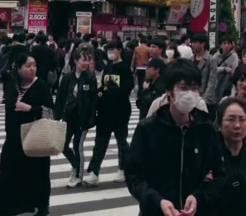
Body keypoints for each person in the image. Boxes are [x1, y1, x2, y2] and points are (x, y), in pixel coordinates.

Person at [124, 58, 224, 216]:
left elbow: (220, 176)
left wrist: (198, 197)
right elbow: (134, 176)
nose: (190, 94)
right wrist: (157, 200)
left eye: (195, 88)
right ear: (169, 91)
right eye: (184, 87)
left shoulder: (205, 130)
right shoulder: (148, 129)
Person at [0, 52, 55, 216]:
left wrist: (31, 108)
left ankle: (42, 208)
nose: (32, 68)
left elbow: (51, 111)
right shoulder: (12, 85)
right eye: (28, 66)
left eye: (34, 65)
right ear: (18, 68)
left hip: (35, 138)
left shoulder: (41, 86)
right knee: (8, 175)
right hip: (14, 139)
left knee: (39, 175)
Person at [86, 39, 133, 185]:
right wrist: (99, 94)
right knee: (100, 142)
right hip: (105, 112)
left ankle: (123, 169)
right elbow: (104, 87)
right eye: (109, 50)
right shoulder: (108, 67)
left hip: (120, 111)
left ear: (119, 50)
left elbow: (127, 88)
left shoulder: (124, 68)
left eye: (113, 49)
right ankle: (94, 172)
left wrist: (107, 94)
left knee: (122, 142)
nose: (110, 53)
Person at [56, 46, 97, 187]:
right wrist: (57, 115)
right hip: (68, 116)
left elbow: (93, 101)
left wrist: (91, 118)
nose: (86, 63)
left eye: (88, 61)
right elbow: (60, 97)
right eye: (83, 60)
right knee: (63, 145)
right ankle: (75, 164)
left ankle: (78, 175)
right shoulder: (67, 77)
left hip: (83, 118)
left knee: (78, 145)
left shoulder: (90, 78)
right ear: (75, 61)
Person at [205, 37, 240, 105]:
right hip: (215, 83)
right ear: (221, 45)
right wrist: (224, 69)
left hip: (227, 85)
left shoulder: (234, 56)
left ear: (231, 45)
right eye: (224, 43)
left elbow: (235, 71)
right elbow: (213, 69)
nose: (226, 45)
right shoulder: (216, 55)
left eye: (228, 43)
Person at [136, 57, 166, 124]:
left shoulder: (162, 85)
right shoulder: (149, 81)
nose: (147, 70)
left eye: (149, 68)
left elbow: (153, 102)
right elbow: (139, 103)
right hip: (145, 119)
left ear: (157, 69)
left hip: (154, 121)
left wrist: (146, 90)